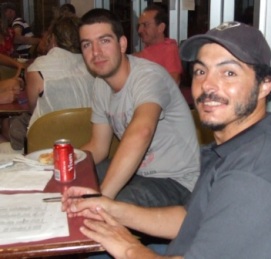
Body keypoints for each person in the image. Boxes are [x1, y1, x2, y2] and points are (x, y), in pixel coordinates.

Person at [62, 21, 271, 258]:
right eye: (201, 71)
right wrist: (111, 208)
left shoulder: (253, 176)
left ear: (265, 85)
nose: (208, 85)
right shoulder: (235, 146)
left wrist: (128, 249)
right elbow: (189, 218)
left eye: (229, 72)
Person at [77, 8, 199, 207]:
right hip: (139, 173)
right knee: (75, 178)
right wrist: (60, 163)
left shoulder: (148, 76)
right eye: (87, 45)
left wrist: (103, 199)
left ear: (122, 44)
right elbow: (98, 147)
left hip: (177, 181)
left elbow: (142, 131)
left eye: (105, 40)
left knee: (119, 205)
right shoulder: (101, 84)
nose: (96, 52)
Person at [1, 15, 94, 151]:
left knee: (8, 125)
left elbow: (33, 109)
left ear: (53, 38)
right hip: (88, 135)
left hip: (47, 139)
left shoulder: (38, 68)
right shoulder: (93, 64)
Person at [133, 5, 182, 85]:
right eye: (139, 26)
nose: (139, 30)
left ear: (161, 28)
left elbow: (173, 83)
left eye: (145, 25)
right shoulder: (146, 49)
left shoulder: (169, 49)